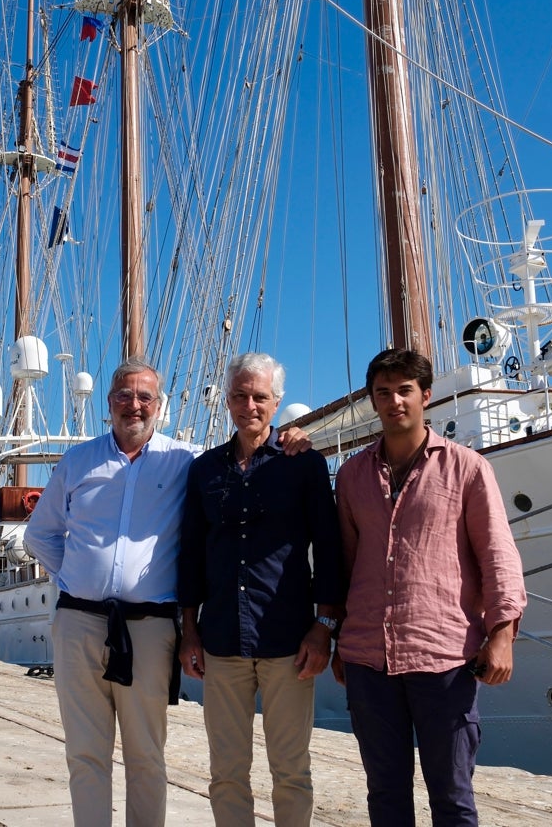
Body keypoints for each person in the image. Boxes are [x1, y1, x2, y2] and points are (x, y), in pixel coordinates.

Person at [25, 358, 310, 827]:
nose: (133, 406)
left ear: (159, 406)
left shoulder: (186, 461)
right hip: (79, 624)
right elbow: (41, 535)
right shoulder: (78, 461)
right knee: (85, 752)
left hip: (149, 627)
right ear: (109, 402)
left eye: (145, 397)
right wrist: (77, 581)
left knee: (146, 754)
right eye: (124, 395)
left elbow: (246, 457)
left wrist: (289, 437)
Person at [332, 348, 527, 827]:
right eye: (383, 392)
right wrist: (337, 636)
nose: (394, 401)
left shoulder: (468, 468)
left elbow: (497, 553)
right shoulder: (352, 475)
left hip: (443, 657)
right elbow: (345, 564)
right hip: (367, 658)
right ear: (372, 400)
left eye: (404, 390)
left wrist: (502, 633)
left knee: (453, 797)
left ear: (426, 395)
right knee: (386, 796)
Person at [178, 352, 344, 827]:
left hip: (289, 639)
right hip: (223, 640)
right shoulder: (205, 470)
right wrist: (189, 631)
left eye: (260, 397)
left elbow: (328, 551)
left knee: (291, 771)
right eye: (239, 395)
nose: (249, 405)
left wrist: (324, 627)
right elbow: (191, 554)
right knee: (226, 773)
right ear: (227, 401)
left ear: (277, 402)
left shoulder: (304, 464)